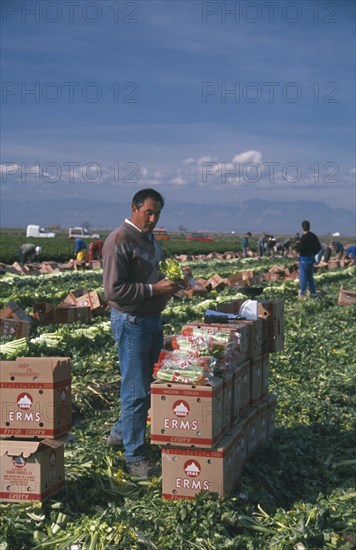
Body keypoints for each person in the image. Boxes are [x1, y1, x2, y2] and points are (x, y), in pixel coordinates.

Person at [102, 188, 180, 478]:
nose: (153, 218)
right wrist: (153, 290)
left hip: (150, 319)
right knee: (135, 391)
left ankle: (119, 435)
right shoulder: (119, 240)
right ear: (134, 208)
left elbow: (156, 276)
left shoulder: (150, 240)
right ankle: (134, 458)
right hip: (131, 320)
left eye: (157, 213)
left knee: (144, 385)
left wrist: (177, 284)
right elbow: (113, 291)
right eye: (148, 212)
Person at [296, 220, 321, 298]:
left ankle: (302, 292)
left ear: (302, 228)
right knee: (310, 276)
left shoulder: (304, 237)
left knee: (303, 275)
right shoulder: (314, 236)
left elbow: (300, 248)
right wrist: (313, 253)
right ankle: (313, 292)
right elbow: (319, 247)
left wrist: (297, 249)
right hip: (311, 257)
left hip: (304, 258)